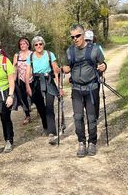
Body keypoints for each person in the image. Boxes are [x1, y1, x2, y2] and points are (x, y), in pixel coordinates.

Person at [62, 24, 106, 157]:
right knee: (77, 117)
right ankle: (81, 142)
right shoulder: (70, 51)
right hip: (76, 89)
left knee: (92, 118)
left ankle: (92, 142)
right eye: (73, 37)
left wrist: (104, 67)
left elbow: (102, 65)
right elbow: (65, 66)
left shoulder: (95, 49)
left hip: (92, 89)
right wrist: (64, 68)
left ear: (84, 35)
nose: (75, 39)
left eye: (78, 36)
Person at [25, 36, 62, 145]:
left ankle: (52, 132)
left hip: (48, 81)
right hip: (36, 83)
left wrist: (59, 86)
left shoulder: (50, 54)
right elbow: (28, 73)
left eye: (40, 44)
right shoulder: (30, 57)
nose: (38, 46)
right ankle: (45, 126)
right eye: (36, 45)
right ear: (33, 46)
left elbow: (55, 70)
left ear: (43, 44)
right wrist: (27, 86)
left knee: (49, 106)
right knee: (40, 107)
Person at [13, 37, 33, 125]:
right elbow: (14, 67)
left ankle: (39, 109)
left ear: (28, 45)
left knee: (34, 95)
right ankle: (27, 115)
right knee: (23, 97)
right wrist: (13, 79)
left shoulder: (32, 54)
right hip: (21, 79)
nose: (22, 45)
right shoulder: (17, 55)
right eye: (21, 44)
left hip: (32, 78)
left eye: (24, 43)